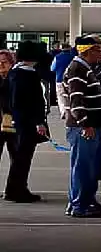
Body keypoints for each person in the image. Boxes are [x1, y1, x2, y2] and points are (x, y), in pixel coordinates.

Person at [63, 35, 101, 218]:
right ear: (88, 51)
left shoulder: (86, 68)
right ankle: (78, 206)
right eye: (99, 49)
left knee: (89, 167)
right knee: (82, 167)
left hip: (92, 126)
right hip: (83, 128)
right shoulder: (77, 69)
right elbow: (76, 100)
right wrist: (85, 124)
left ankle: (87, 200)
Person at [6, 41, 49, 203]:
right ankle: (18, 190)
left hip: (19, 121)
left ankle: (14, 189)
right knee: (22, 158)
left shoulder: (15, 72)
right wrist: (38, 122)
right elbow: (29, 102)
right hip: (26, 124)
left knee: (19, 158)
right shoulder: (26, 74)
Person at [0, 50, 17, 193]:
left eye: (4, 61)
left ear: (11, 63)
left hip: (13, 123)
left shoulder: (15, 78)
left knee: (16, 158)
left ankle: (12, 189)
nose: (1, 64)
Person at [51, 43, 76, 119]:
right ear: (69, 48)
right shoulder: (73, 57)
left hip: (59, 79)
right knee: (71, 95)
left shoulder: (57, 57)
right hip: (71, 79)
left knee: (61, 96)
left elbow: (52, 68)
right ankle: (72, 111)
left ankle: (64, 112)